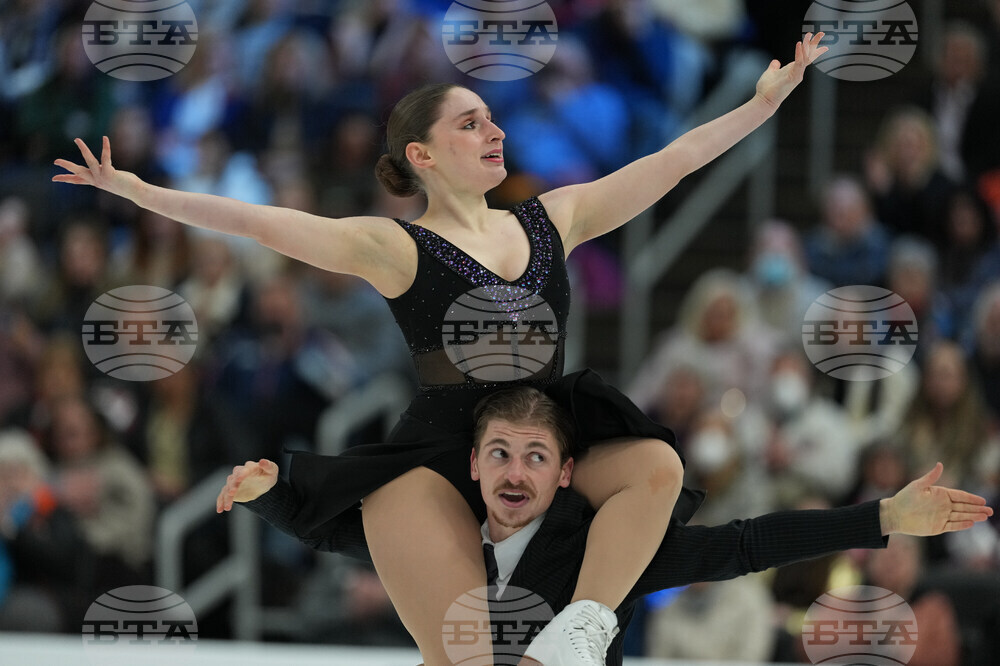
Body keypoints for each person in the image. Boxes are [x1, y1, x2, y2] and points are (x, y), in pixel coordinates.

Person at [55, 33, 829, 665]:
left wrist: (760, 106)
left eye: (492, 118)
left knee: (657, 466)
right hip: (446, 454)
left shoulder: (549, 220)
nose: (494, 130)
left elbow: (675, 162)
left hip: (545, 435)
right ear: (420, 155)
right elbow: (261, 222)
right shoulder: (397, 248)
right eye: (469, 123)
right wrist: (141, 192)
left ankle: (583, 626)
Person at [220, 386, 993, 665]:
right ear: (474, 468)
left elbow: (741, 545)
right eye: (499, 455)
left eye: (533, 456)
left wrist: (883, 516)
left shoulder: (607, 550)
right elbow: (337, 533)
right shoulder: (443, 542)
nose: (515, 472)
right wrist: (267, 495)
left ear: (564, 473)